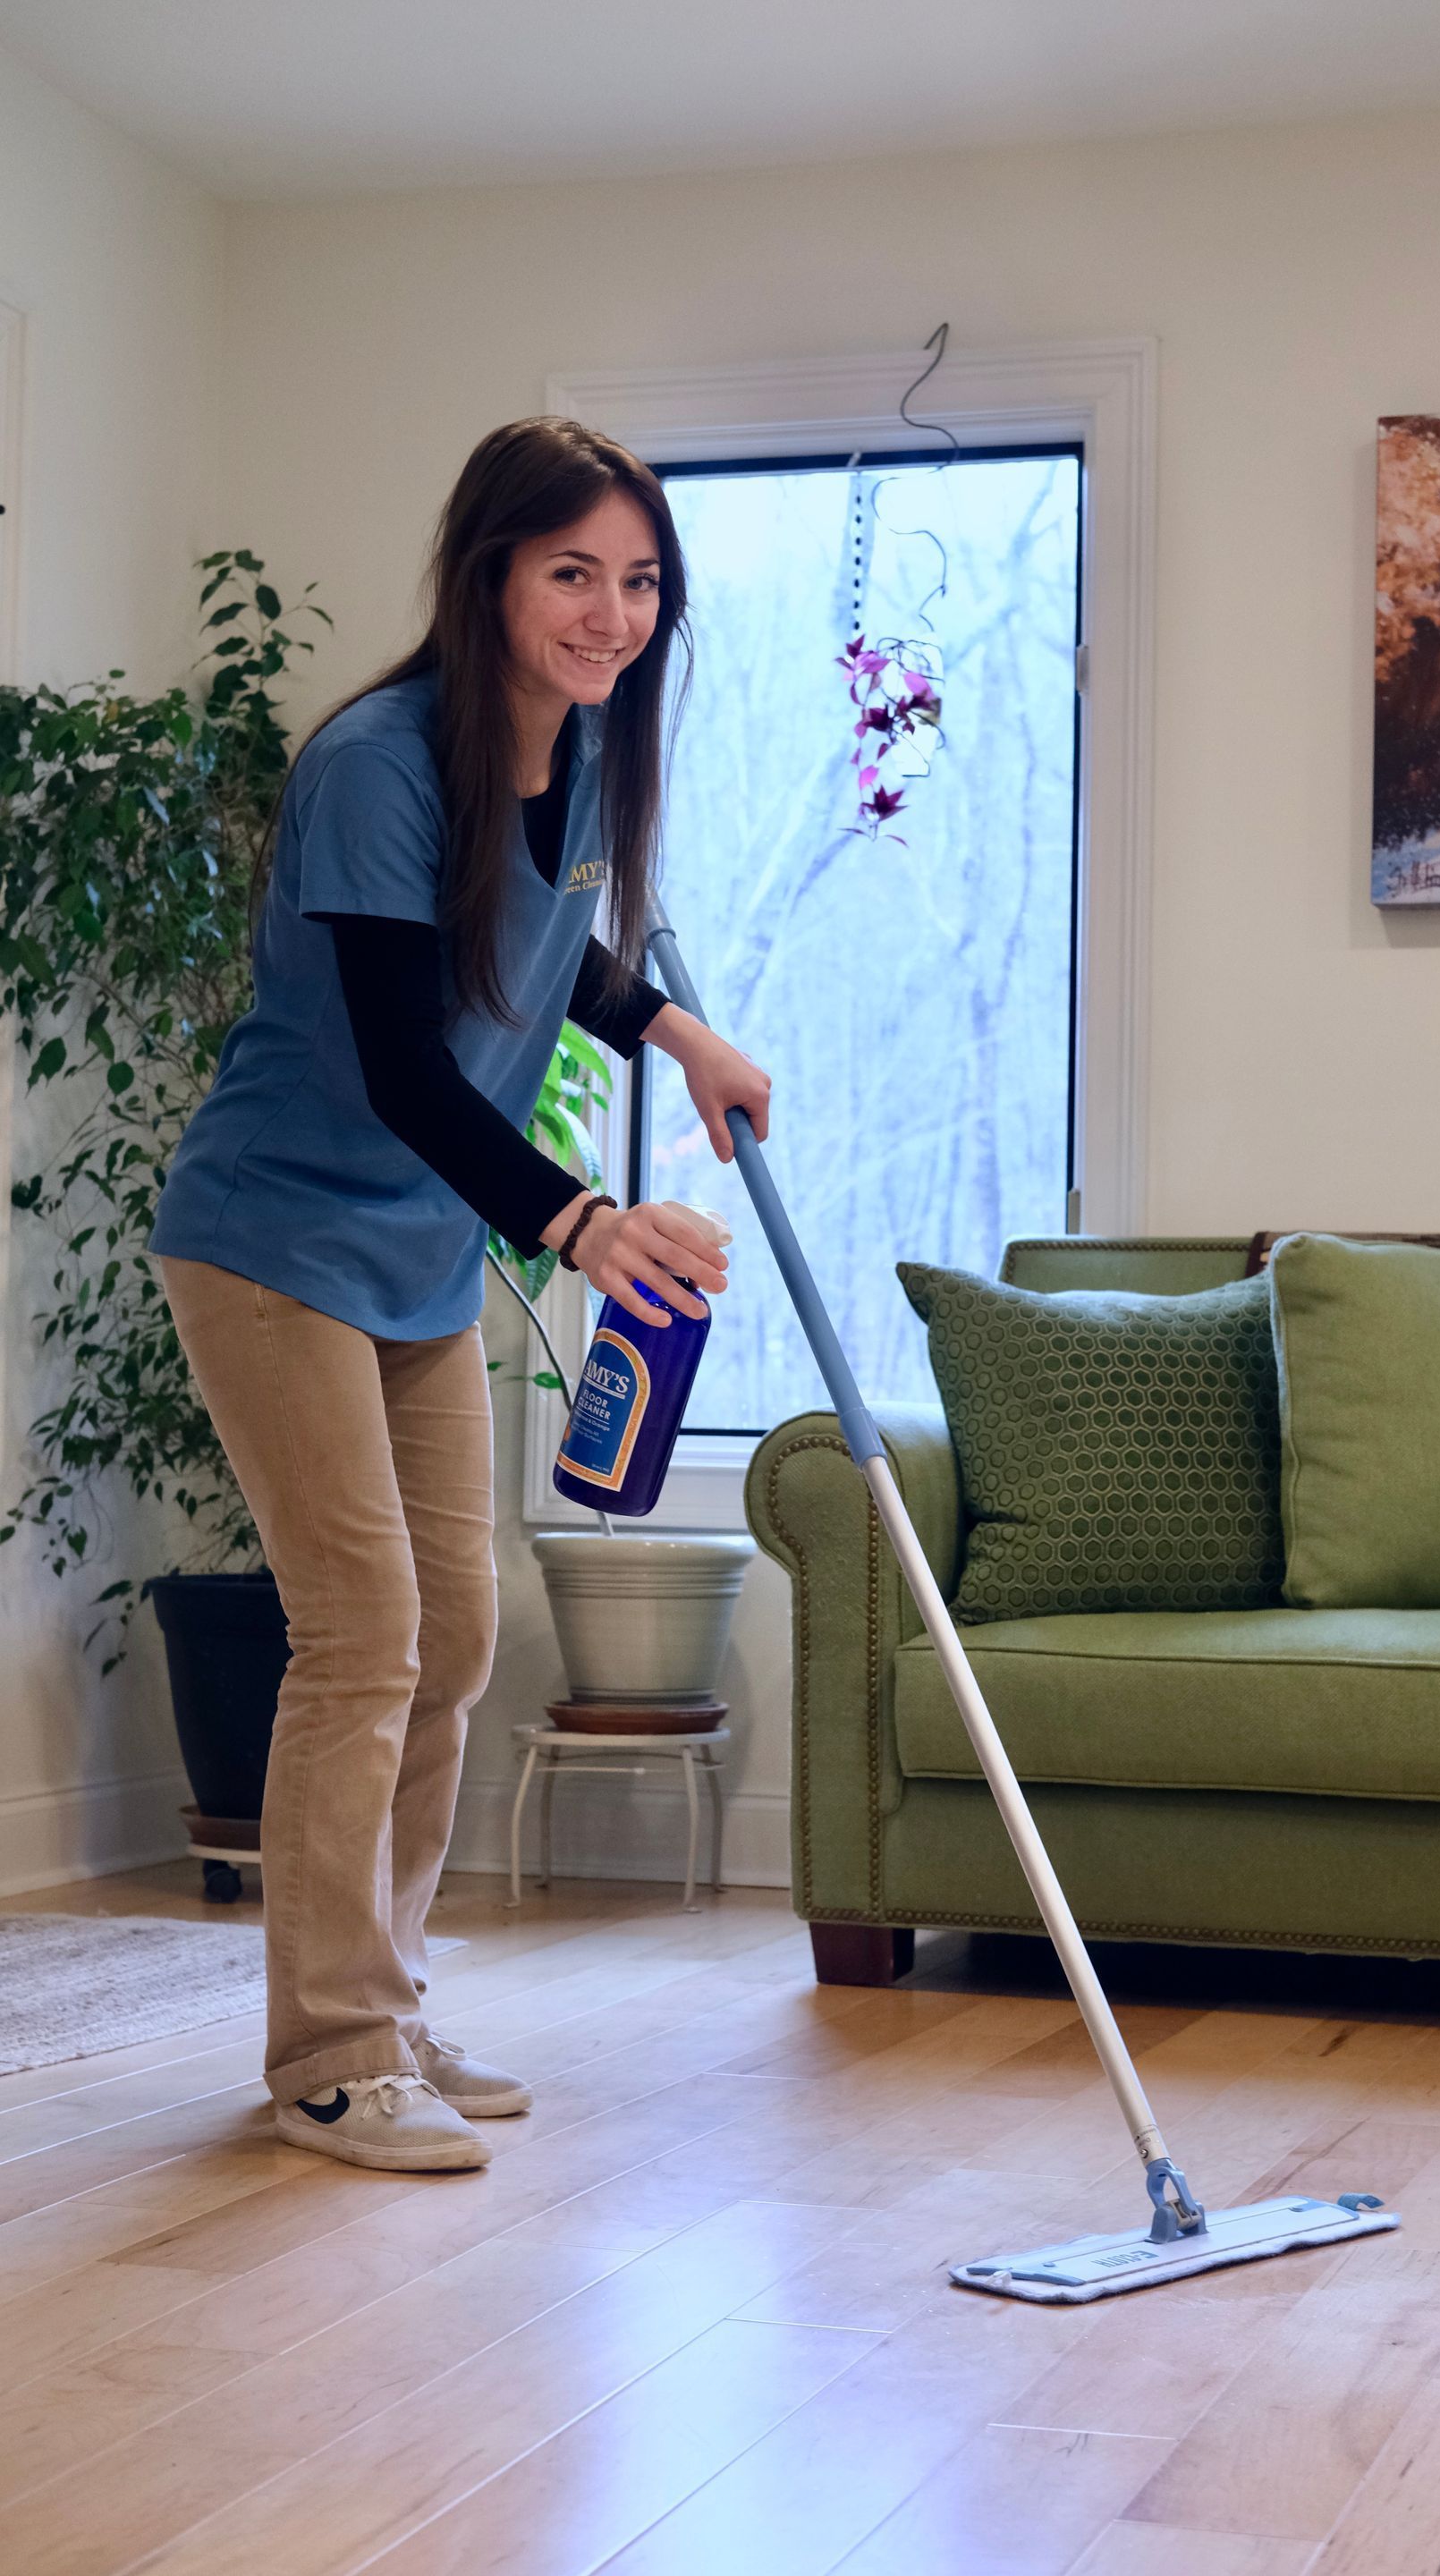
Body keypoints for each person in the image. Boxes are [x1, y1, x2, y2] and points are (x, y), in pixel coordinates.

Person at [149, 417, 770, 2174]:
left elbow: (544, 943)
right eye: (573, 571)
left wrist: (673, 1027)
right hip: (273, 1241)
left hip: (413, 1252)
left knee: (457, 1631)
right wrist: (585, 1225)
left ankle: (387, 2000)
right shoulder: (375, 765)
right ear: (491, 572)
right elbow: (411, 1067)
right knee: (363, 1631)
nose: (611, 612)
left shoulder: (569, 753)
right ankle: (331, 2056)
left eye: (639, 579)